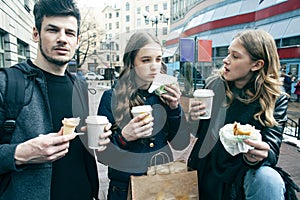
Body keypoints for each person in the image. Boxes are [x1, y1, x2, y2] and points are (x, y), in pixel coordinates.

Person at [0, 0, 111, 199]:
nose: (62, 39)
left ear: (76, 40)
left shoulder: (80, 86)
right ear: (36, 34)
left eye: (69, 33)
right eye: (53, 30)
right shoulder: (7, 83)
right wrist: (21, 153)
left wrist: (91, 139)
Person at [188, 29, 289, 199]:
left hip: (242, 170)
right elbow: (199, 133)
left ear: (256, 65)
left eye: (235, 56)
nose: (226, 60)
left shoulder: (274, 98)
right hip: (209, 163)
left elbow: (271, 150)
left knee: (269, 180)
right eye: (228, 54)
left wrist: (255, 157)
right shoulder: (215, 85)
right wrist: (194, 118)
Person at [97, 31, 190, 200]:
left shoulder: (164, 96)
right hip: (125, 189)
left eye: (158, 59)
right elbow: (103, 155)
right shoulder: (112, 97)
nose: (154, 66)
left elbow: (181, 143)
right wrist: (125, 136)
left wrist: (175, 108)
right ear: (131, 63)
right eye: (146, 60)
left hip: (162, 185)